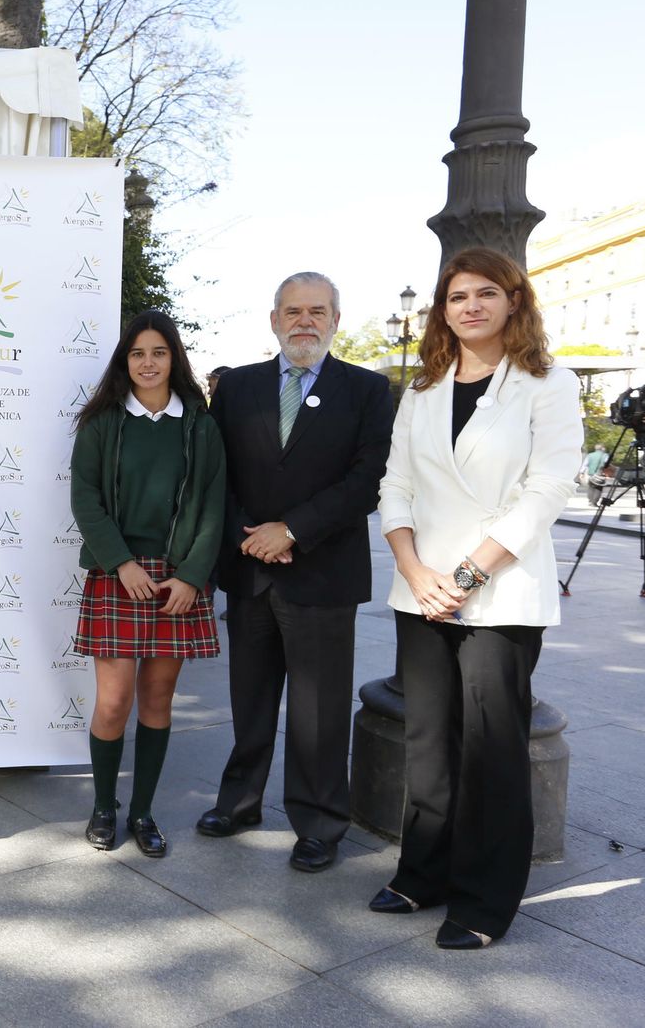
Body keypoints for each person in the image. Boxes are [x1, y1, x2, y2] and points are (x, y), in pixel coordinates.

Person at [371, 247, 581, 949]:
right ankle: (422, 873)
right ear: (443, 310)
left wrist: (467, 577)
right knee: (427, 741)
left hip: (500, 593)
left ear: (513, 302)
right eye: (456, 296)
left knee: (491, 748)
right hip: (421, 587)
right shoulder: (425, 388)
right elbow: (394, 485)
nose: (470, 306)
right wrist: (413, 566)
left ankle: (486, 902)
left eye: (485, 293)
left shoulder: (546, 383)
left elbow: (548, 489)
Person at [196, 272, 393, 873]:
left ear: (336, 318)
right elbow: (215, 472)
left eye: (317, 310)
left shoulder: (367, 390)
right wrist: (250, 538)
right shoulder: (237, 387)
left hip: (323, 571)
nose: (304, 321)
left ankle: (318, 822)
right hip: (251, 569)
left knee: (319, 708)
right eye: (292, 310)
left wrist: (295, 530)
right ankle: (241, 802)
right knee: (250, 698)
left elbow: (367, 479)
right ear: (273, 319)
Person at [69, 311, 225, 858]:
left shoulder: (199, 426)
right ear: (124, 361)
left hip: (177, 581)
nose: (149, 363)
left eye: (159, 352)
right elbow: (84, 499)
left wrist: (191, 577)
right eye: (138, 353)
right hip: (120, 577)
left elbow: (212, 506)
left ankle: (143, 812)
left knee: (158, 700)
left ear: (174, 358)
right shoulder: (103, 423)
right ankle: (105, 807)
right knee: (113, 703)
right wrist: (120, 564)